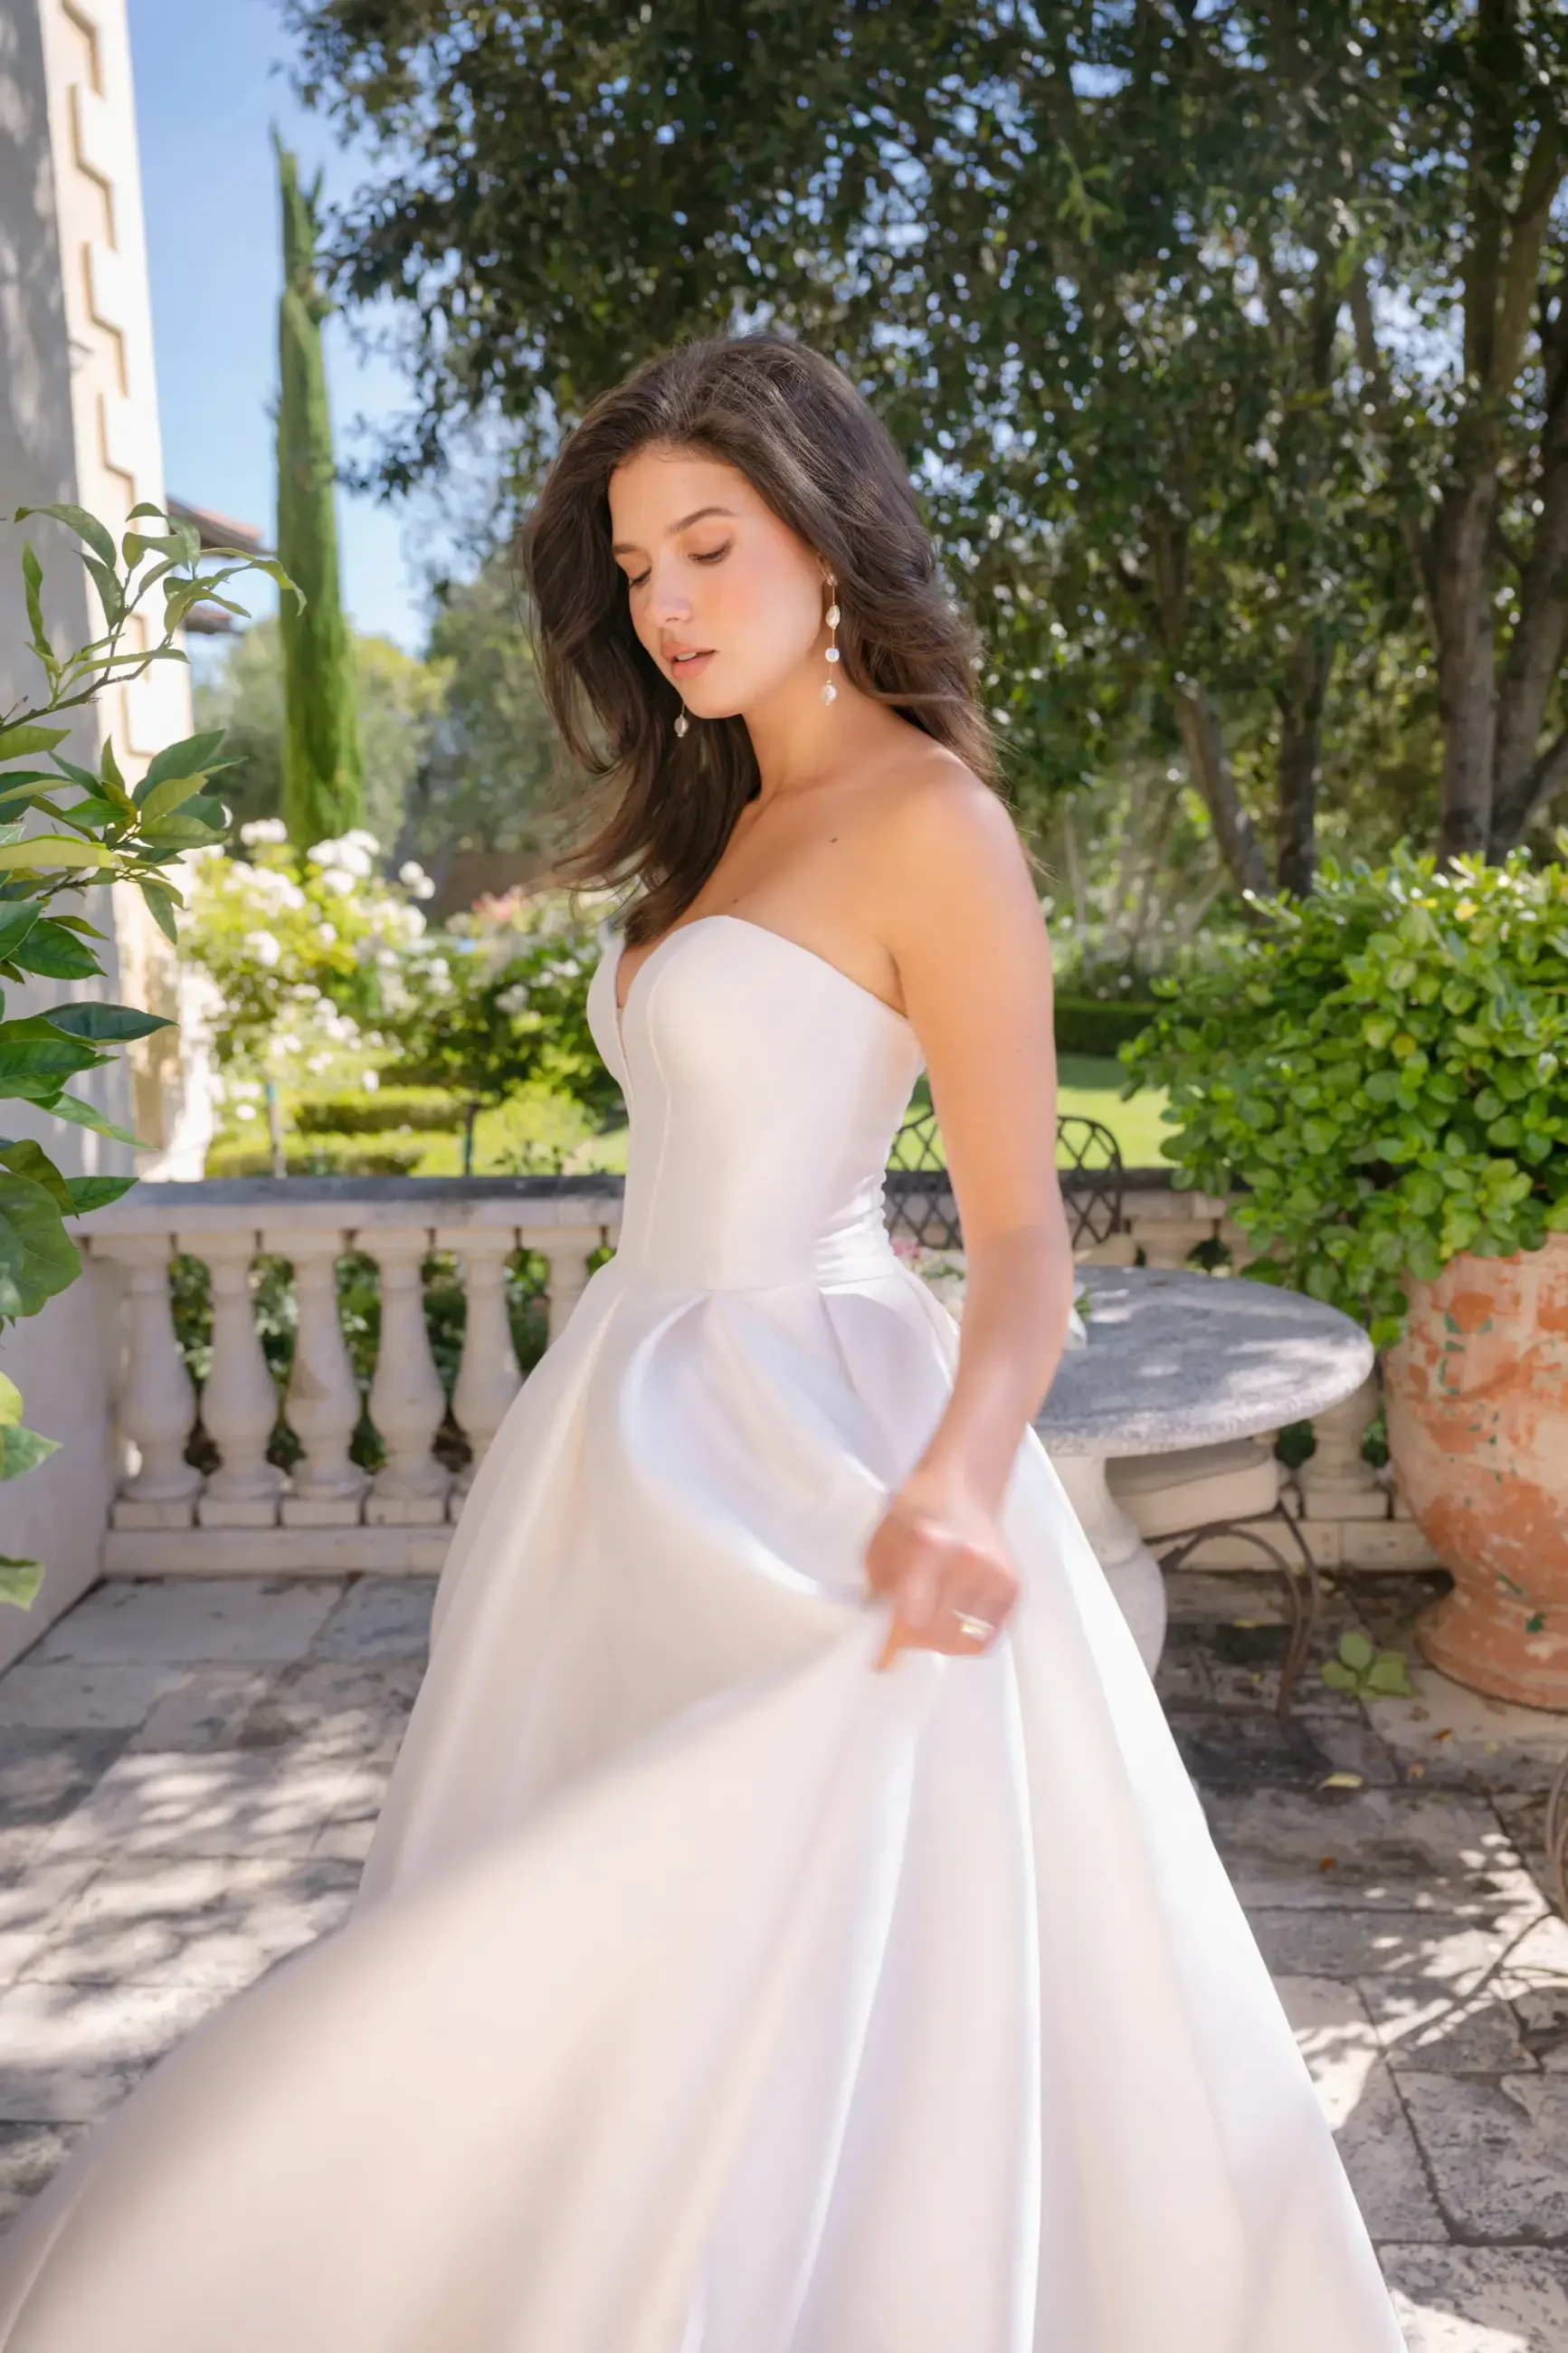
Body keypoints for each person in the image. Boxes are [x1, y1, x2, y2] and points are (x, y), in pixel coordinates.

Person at [0, 335, 1403, 2352]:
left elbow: (1018, 1248)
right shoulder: (721, 818)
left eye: (706, 546)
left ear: (827, 544)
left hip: (815, 1446)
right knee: (567, 1916)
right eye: (633, 562)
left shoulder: (932, 819)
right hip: (626, 1433)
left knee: (774, 1912)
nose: (660, 602)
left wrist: (949, 1476)